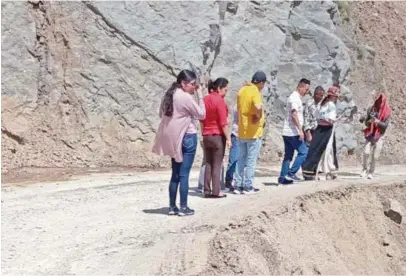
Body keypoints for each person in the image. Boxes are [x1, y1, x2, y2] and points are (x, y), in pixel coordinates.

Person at [152, 69, 206, 216]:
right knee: (184, 174)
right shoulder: (185, 97)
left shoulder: (170, 95)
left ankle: (172, 207)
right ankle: (183, 207)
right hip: (188, 136)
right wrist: (200, 95)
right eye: (192, 84)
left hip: (175, 138)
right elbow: (202, 114)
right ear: (183, 83)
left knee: (175, 174)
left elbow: (161, 114)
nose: (194, 87)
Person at [233, 71, 266, 194]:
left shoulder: (242, 90)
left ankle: (237, 185)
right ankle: (248, 186)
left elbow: (238, 109)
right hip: (253, 132)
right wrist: (258, 116)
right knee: (251, 160)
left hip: (242, 130)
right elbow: (258, 107)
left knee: (240, 159)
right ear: (261, 83)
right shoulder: (255, 92)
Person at [200, 78, 230, 198]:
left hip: (206, 134)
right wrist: (228, 138)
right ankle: (216, 191)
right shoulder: (220, 100)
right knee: (217, 164)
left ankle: (206, 190)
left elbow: (201, 119)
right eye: (225, 89)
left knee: (208, 163)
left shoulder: (205, 99)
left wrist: (203, 133)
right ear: (219, 88)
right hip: (217, 135)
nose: (226, 91)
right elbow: (223, 122)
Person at [302, 86, 340, 180]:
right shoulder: (331, 105)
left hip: (319, 128)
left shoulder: (322, 103)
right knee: (329, 149)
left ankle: (309, 170)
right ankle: (331, 171)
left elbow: (316, 115)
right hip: (327, 129)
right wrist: (336, 119)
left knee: (315, 148)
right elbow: (330, 119)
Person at [278, 78, 310, 185]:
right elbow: (294, 114)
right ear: (300, 87)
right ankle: (291, 173)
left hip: (288, 131)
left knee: (288, 156)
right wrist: (300, 130)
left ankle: (282, 178)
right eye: (306, 89)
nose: (307, 92)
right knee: (304, 151)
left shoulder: (295, 97)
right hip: (293, 132)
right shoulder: (294, 98)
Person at [359, 92, 391, 179]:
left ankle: (371, 172)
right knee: (366, 152)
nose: (378, 103)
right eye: (377, 101)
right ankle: (364, 169)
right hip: (370, 133)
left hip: (380, 135)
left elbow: (385, 125)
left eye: (380, 101)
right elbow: (366, 121)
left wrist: (378, 122)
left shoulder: (387, 112)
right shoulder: (371, 109)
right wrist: (368, 122)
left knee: (375, 156)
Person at [224, 105, 239, 192]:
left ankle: (234, 181)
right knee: (233, 159)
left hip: (240, 135)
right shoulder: (238, 106)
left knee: (237, 160)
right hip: (237, 134)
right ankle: (229, 181)